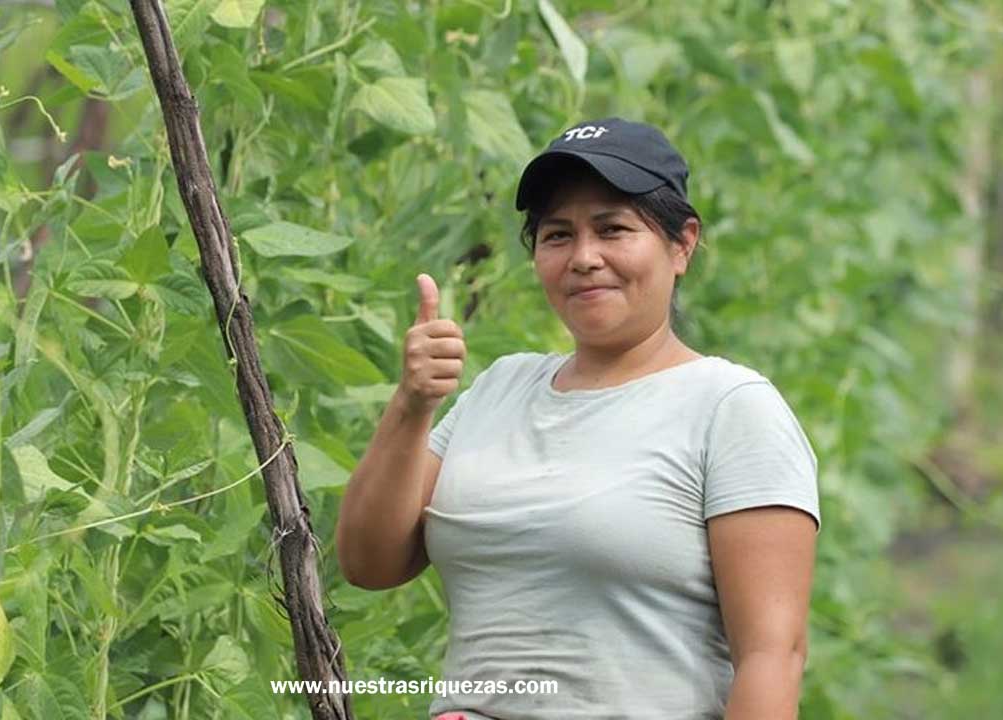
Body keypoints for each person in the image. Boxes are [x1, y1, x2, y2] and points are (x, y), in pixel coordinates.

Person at [336, 117, 821, 720]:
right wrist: (412, 404)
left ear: (682, 244)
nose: (584, 258)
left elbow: (772, 655)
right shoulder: (500, 388)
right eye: (557, 235)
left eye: (613, 229)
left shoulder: (730, 407)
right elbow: (369, 562)